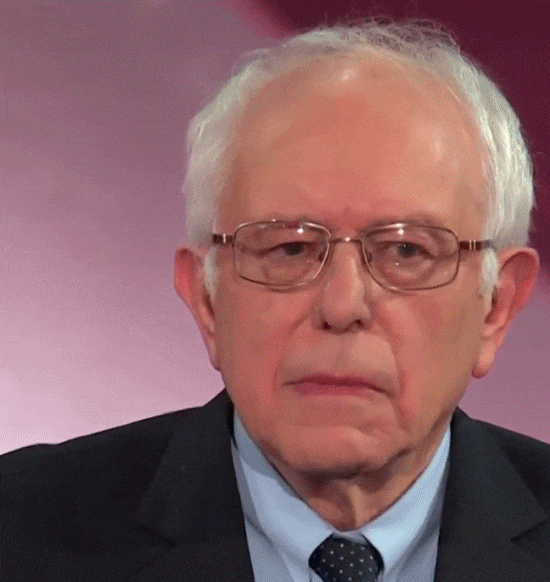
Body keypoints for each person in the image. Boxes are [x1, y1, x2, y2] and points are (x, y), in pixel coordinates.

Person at [0, 18, 548, 582]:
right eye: (289, 248)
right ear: (207, 300)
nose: (341, 306)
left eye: (406, 251)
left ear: (496, 307)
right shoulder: (18, 536)